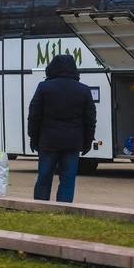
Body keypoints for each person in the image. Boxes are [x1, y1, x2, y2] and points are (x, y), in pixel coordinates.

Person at [28, 54, 96, 203]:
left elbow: (34, 115)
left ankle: (39, 207)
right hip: (72, 143)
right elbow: (90, 119)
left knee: (44, 177)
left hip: (48, 142)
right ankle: (64, 209)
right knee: (68, 179)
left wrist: (33, 138)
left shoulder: (44, 87)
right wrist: (87, 141)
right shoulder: (83, 90)